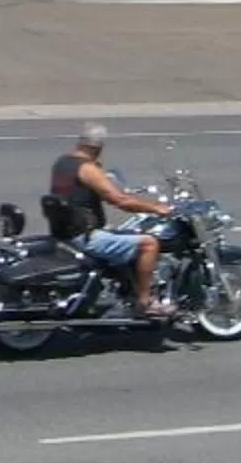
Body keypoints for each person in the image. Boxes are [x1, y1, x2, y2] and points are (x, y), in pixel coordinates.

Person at [49, 123, 175, 318]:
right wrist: (156, 208)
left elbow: (82, 194)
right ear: (98, 147)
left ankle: (125, 289)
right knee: (149, 244)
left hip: (66, 232)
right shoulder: (87, 169)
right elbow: (119, 200)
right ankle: (146, 302)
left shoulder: (62, 163)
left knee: (123, 233)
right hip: (85, 237)